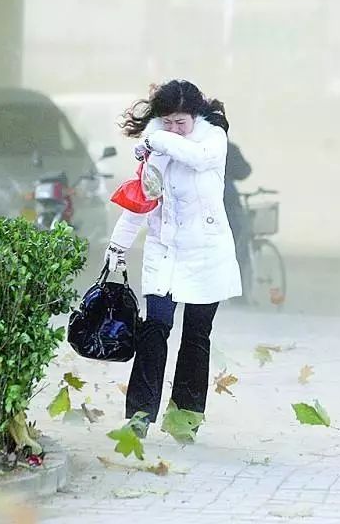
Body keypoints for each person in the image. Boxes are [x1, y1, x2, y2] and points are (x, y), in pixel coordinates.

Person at [104, 79, 241, 437]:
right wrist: (118, 247)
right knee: (155, 328)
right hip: (164, 250)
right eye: (168, 121)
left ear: (195, 117)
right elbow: (141, 201)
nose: (175, 128)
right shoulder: (156, 150)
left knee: (197, 335)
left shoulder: (213, 140)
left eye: (181, 122)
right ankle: (138, 417)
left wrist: (154, 139)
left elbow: (196, 158)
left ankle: (185, 419)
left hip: (207, 252)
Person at [223, 141, 252, 298]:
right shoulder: (229, 148)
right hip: (229, 202)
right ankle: (238, 293)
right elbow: (245, 171)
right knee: (238, 243)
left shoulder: (192, 145)